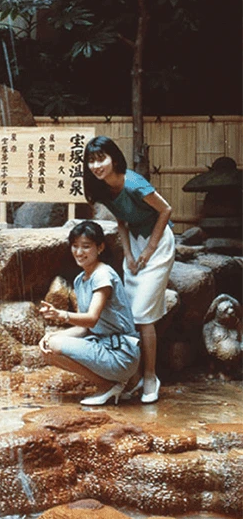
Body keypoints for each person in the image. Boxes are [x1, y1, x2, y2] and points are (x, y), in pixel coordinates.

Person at [82, 135, 174, 403]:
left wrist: (149, 249)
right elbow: (121, 220)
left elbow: (166, 210)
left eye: (101, 159)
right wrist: (129, 254)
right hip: (135, 241)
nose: (96, 166)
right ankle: (130, 377)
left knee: (143, 313)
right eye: (91, 161)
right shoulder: (102, 188)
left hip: (158, 241)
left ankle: (149, 376)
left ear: (114, 158)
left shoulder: (133, 183)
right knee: (129, 313)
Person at [39, 220, 141, 406]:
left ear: (100, 247)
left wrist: (61, 315)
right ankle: (115, 384)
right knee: (48, 347)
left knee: (54, 345)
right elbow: (84, 328)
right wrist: (51, 334)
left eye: (86, 247)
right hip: (103, 345)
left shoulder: (103, 275)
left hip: (121, 353)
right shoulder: (80, 280)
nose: (79, 252)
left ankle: (108, 386)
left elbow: (92, 319)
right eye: (75, 246)